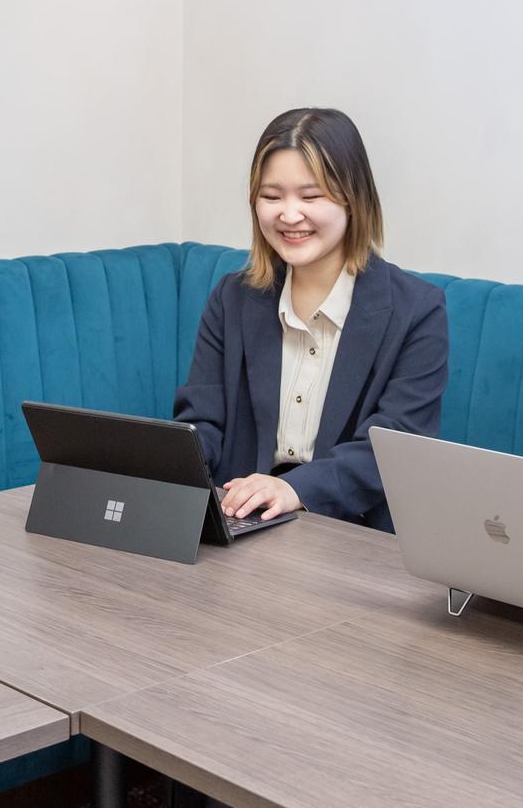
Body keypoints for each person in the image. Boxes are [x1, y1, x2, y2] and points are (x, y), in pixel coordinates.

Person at [176, 107, 449, 529]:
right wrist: (172, 471)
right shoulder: (232, 297)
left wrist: (294, 489)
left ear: (353, 199)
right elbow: (201, 422)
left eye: (311, 196)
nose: (289, 215)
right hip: (242, 522)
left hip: (350, 533)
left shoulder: (418, 310)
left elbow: (392, 449)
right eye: (272, 197)